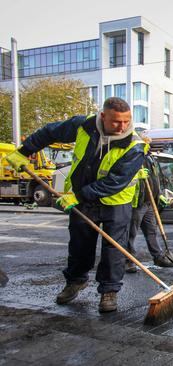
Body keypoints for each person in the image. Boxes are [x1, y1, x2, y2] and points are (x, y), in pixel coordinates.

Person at [4, 97, 145, 313]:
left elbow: (115, 182)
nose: (123, 127)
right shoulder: (84, 126)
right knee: (80, 244)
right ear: (103, 117)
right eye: (117, 121)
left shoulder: (134, 146)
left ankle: (109, 291)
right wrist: (24, 151)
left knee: (113, 249)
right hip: (83, 200)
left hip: (116, 202)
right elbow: (50, 132)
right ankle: (75, 281)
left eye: (127, 121)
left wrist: (79, 196)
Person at [124, 137, 173, 273]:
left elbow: (154, 179)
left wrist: (159, 195)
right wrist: (136, 176)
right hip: (137, 203)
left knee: (151, 231)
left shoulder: (150, 158)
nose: (149, 144)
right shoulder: (133, 156)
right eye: (147, 142)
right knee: (130, 233)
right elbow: (122, 176)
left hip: (149, 202)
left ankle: (158, 257)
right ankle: (128, 260)